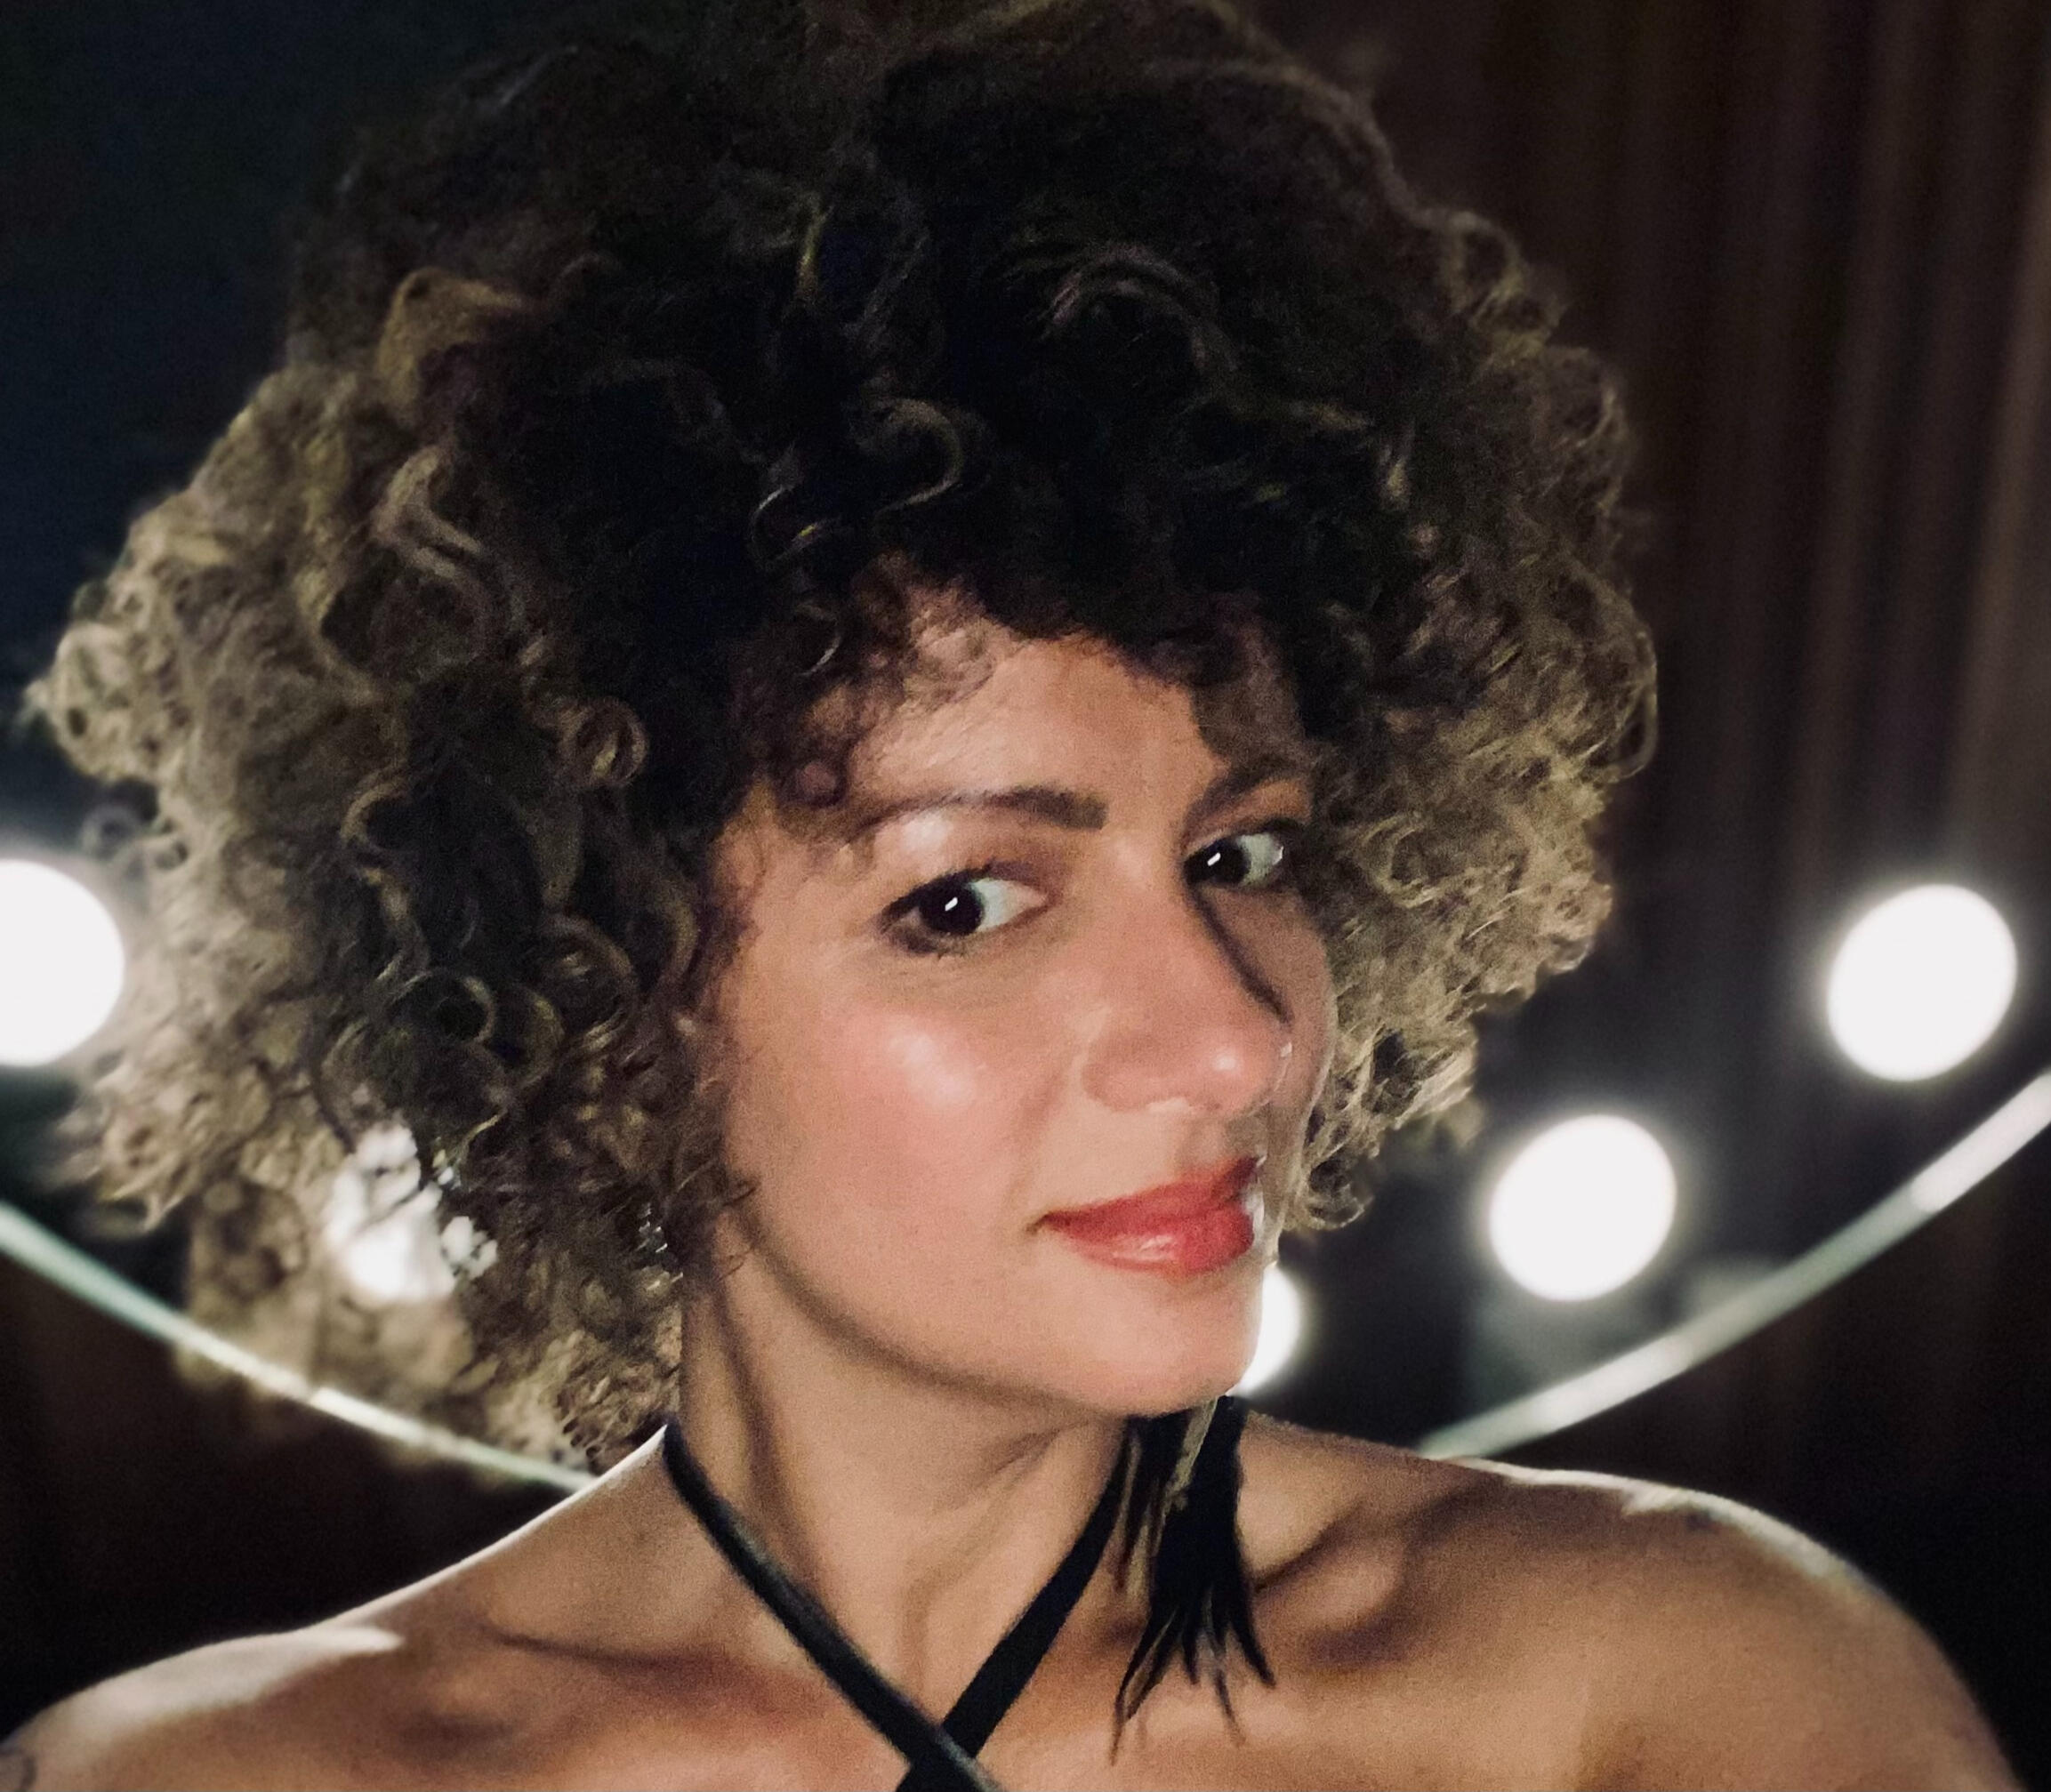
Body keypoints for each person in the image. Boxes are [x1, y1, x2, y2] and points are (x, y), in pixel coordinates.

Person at [5, 0, 2015, 1784]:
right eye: (965, 903)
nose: (1232, 1039)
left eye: (1236, 856)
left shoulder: (1675, 1693)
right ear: (598, 1007)